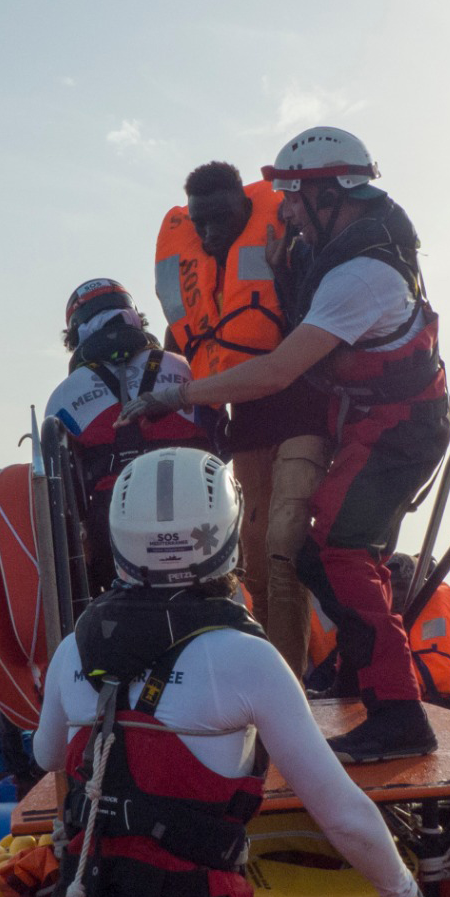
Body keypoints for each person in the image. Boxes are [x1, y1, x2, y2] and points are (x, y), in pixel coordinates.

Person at [30, 448, 445, 897]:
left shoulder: (74, 646)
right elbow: (341, 812)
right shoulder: (245, 659)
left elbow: (45, 755)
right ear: (224, 531)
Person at [123, 127, 450, 763]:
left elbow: (277, 371)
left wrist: (176, 396)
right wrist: (283, 268)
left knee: (337, 553)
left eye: (297, 196)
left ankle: (399, 716)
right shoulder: (334, 250)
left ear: (332, 194)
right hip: (377, 423)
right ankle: (367, 687)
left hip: (399, 428)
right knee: (319, 554)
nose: (287, 209)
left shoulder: (361, 274)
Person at [155, 161, 332, 675]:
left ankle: (288, 683)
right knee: (254, 562)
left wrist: (286, 270)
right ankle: (270, 676)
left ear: (245, 206)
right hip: (247, 422)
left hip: (302, 412)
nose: (211, 233)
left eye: (222, 219)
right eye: (201, 223)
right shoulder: (192, 272)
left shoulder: (292, 243)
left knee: (284, 547)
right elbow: (181, 349)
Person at [45, 278, 212, 593]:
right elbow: (221, 446)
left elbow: (63, 497)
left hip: (113, 530)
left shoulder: (63, 397)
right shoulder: (188, 369)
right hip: (199, 517)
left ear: (75, 333)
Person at [387, 554, 450, 719]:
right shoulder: (373, 624)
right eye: (388, 586)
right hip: (389, 712)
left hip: (438, 711)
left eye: (401, 586)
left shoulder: (448, 625)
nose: (395, 594)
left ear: (419, 587)